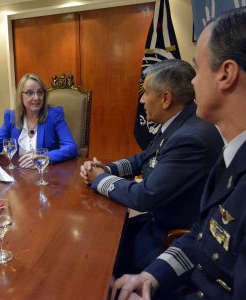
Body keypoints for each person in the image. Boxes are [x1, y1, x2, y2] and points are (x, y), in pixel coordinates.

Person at [111, 7, 246, 300]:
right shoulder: (232, 158)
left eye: (197, 70)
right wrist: (150, 277)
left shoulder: (202, 139)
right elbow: (202, 236)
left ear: (226, 74)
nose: (192, 84)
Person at [80, 60, 223, 277]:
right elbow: (143, 158)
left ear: (166, 99)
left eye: (145, 92)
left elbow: (144, 196)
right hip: (159, 220)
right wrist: (106, 169)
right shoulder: (179, 122)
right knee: (99, 237)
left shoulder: (189, 137)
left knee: (99, 258)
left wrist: (99, 179)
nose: (142, 99)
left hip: (172, 237)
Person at [0, 73, 78, 168]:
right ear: (20, 96)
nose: (36, 98)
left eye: (40, 92)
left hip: (46, 174)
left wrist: (45, 157)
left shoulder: (54, 116)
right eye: (29, 93)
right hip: (19, 175)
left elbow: (71, 147)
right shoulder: (12, 117)